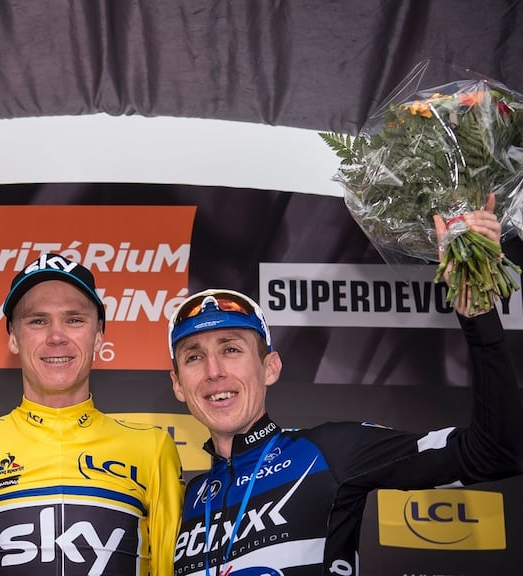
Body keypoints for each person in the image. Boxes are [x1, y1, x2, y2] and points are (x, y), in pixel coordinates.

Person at [167, 200, 523, 576]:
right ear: (178, 385)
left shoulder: (329, 451)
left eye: (231, 350)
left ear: (270, 368)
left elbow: (497, 452)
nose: (214, 371)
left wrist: (478, 314)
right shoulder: (187, 500)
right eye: (194, 357)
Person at [0, 252, 184, 576]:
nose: (57, 336)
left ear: (98, 335)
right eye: (38, 320)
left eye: (74, 320)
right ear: (13, 337)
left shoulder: (153, 449)